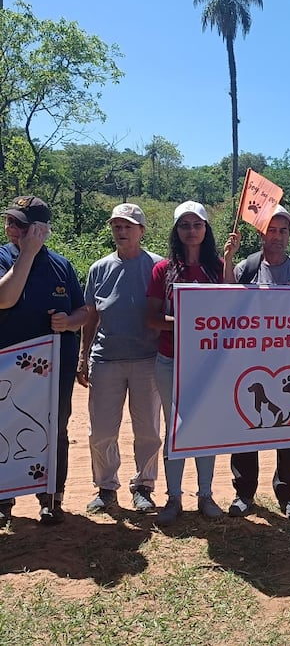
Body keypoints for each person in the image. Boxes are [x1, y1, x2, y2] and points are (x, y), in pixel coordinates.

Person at [146, 200, 240, 526]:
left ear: (206, 229)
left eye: (197, 225)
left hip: (208, 365)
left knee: (206, 428)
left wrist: (228, 260)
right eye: (184, 225)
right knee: (176, 429)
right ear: (176, 230)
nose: (191, 231)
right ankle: (173, 498)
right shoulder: (162, 270)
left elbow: (229, 305)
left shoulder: (215, 267)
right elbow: (152, 319)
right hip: (170, 360)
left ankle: (205, 494)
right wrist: (190, 321)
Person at [0, 196, 89, 526]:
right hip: (9, 368)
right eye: (9, 221)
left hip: (54, 368)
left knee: (55, 428)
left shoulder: (61, 265)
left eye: (20, 224)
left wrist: (69, 321)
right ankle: (4, 498)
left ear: (40, 230)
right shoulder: (3, 256)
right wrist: (27, 254)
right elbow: (5, 298)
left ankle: (51, 497)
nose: (12, 228)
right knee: (5, 428)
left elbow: (84, 311)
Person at [228, 204, 290, 521]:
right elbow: (224, 306)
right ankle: (243, 494)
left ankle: (288, 495)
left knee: (287, 428)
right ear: (261, 233)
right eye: (271, 230)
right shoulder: (245, 269)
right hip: (248, 361)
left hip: (289, 362)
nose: (277, 237)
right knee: (247, 425)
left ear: (289, 235)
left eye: (283, 231)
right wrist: (226, 260)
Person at [77, 204, 163, 515]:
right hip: (106, 359)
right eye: (117, 226)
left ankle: (144, 487)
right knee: (101, 430)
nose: (122, 231)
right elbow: (90, 316)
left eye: (128, 226)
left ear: (141, 230)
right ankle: (106, 487)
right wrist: (83, 357)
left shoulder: (158, 267)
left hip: (147, 360)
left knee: (148, 431)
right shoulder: (98, 268)